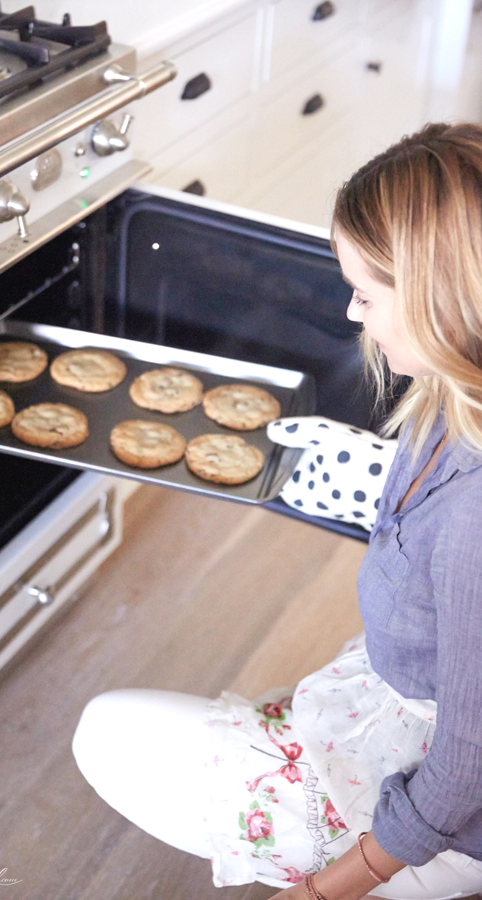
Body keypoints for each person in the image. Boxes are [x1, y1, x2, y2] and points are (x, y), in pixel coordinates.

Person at [71, 123, 482, 900]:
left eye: (365, 292)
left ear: (441, 297)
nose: (354, 314)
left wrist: (331, 886)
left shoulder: (477, 523)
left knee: (107, 733)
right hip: (387, 708)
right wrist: (374, 485)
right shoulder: (449, 399)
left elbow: (466, 767)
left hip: (443, 817)